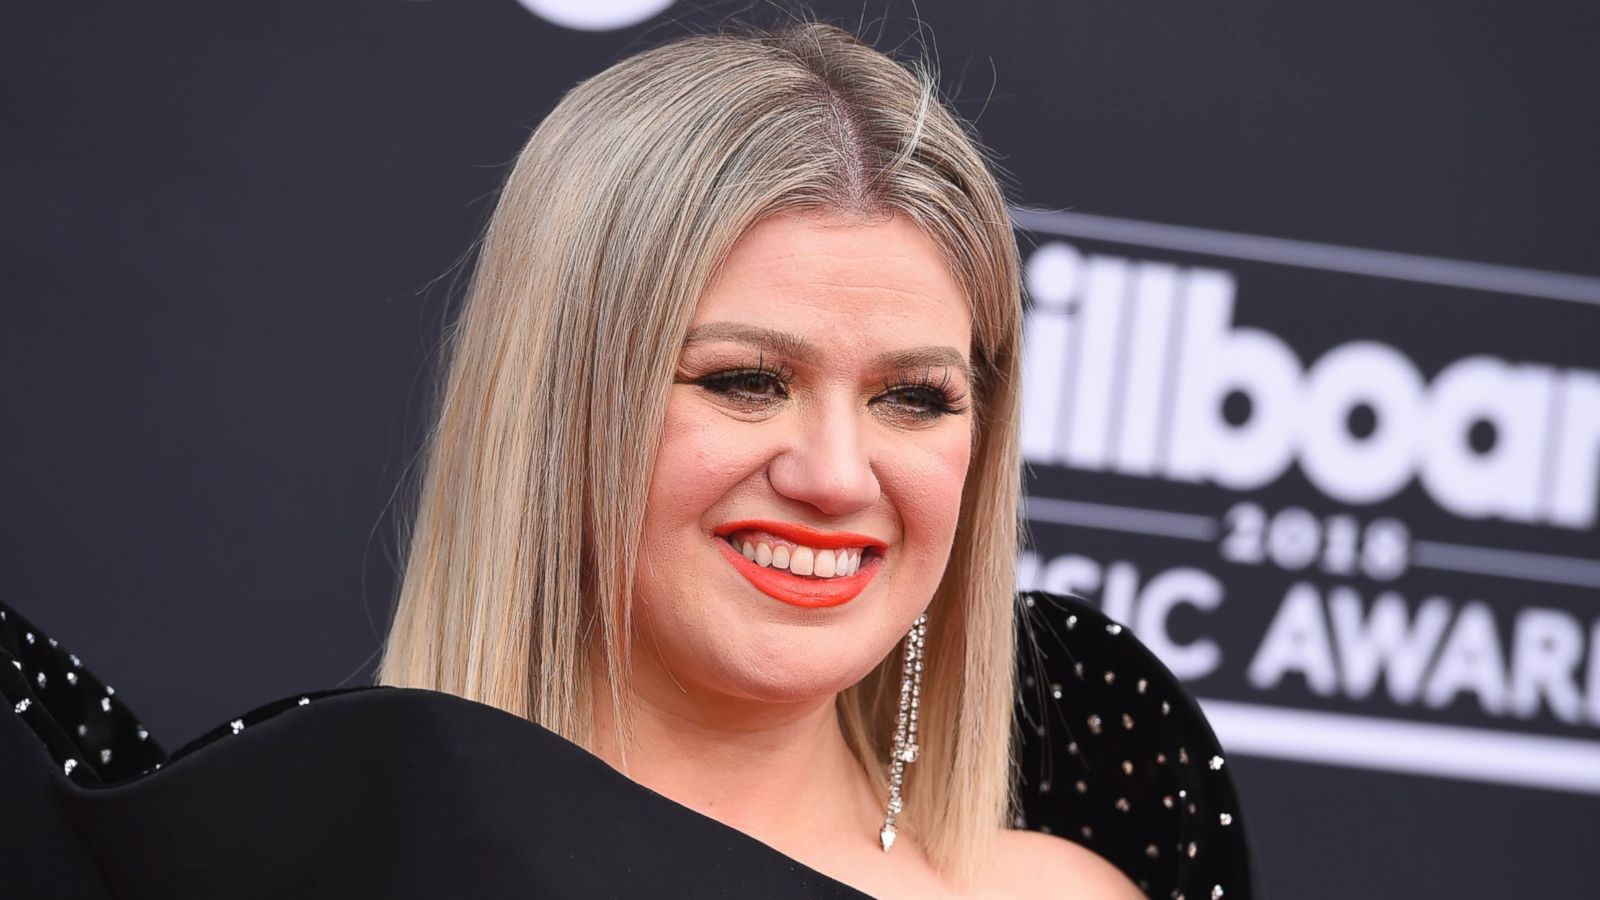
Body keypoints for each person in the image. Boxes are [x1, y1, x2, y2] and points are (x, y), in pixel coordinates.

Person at [0, 21, 1255, 900]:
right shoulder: (308, 865)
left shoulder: (1084, 889)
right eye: (745, 381)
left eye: (914, 398)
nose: (833, 472)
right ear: (557, 410)